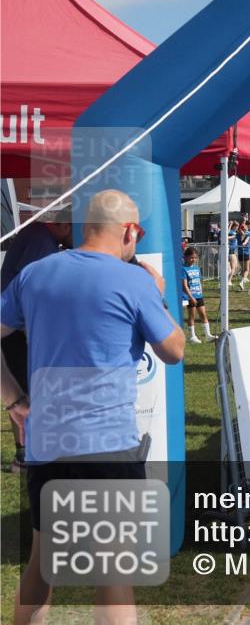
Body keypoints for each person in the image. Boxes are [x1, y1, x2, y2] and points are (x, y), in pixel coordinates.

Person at [0, 190, 184, 625]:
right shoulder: (134, 280)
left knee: (42, 563)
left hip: (49, 445)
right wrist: (156, 295)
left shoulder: (35, 274)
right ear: (129, 231)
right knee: (113, 573)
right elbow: (174, 350)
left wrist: (14, 400)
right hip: (108, 446)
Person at [0, 213, 73, 474]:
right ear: (64, 225)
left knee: (23, 393)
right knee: (28, 394)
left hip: (13, 327)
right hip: (16, 329)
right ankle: (29, 456)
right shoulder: (41, 240)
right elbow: (33, 288)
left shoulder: (36, 235)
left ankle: (25, 455)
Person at [182, 247, 216, 342]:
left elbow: (198, 281)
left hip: (199, 295)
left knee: (203, 315)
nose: (193, 260)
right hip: (190, 296)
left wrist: (200, 292)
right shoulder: (183, 269)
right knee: (191, 316)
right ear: (186, 257)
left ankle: (208, 335)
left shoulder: (197, 268)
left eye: (195, 258)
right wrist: (191, 297)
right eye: (191, 257)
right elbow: (185, 286)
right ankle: (192, 336)